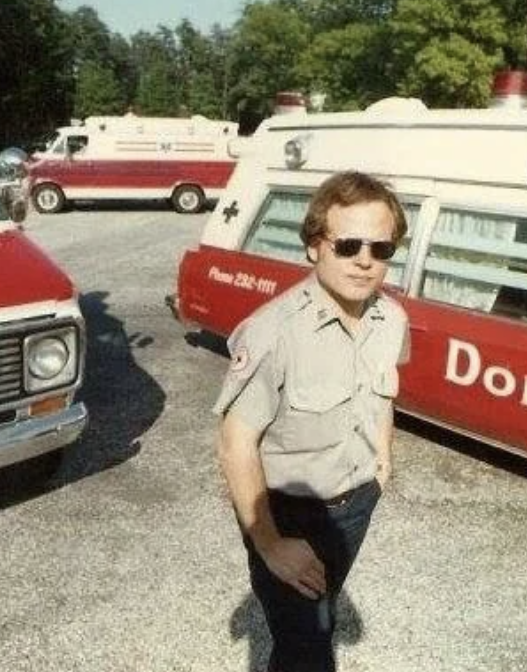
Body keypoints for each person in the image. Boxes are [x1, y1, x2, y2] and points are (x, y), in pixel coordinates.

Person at [214, 171, 410, 672]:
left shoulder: (392, 320)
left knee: (313, 625)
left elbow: (383, 394)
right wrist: (271, 544)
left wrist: (382, 465)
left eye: (380, 248)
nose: (365, 260)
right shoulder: (272, 333)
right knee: (309, 650)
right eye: (347, 245)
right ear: (313, 247)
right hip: (288, 516)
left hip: (357, 504)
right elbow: (237, 443)